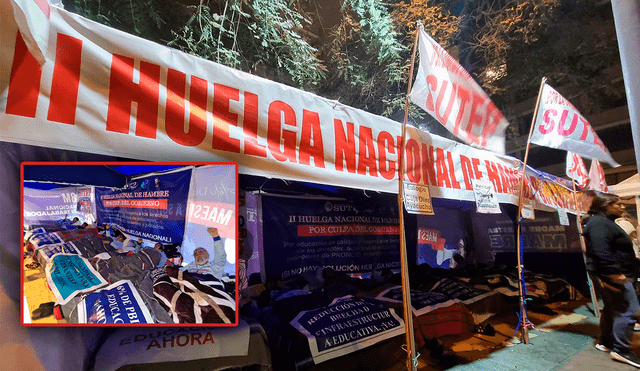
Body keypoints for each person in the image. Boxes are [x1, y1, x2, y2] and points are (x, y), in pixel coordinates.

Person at [583, 193, 640, 368]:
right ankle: (621, 349)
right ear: (606, 205)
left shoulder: (601, 222)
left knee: (612, 308)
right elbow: (601, 251)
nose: (622, 207)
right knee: (628, 310)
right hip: (613, 275)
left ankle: (606, 342)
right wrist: (614, 273)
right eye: (618, 204)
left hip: (611, 274)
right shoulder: (599, 223)